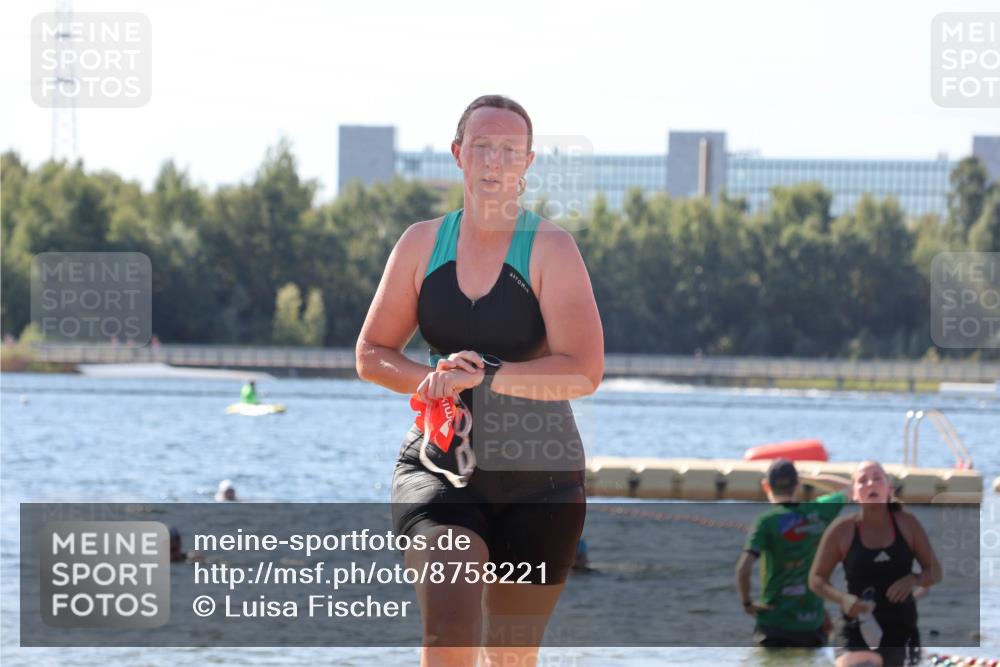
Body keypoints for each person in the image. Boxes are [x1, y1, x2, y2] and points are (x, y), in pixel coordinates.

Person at [356, 94, 604, 666]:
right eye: (482, 146)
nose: (494, 160)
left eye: (509, 150)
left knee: (510, 655)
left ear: (527, 163)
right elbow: (372, 353)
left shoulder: (552, 249)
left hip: (540, 481)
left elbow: (583, 370)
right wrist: (428, 380)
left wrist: (491, 375)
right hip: (441, 467)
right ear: (458, 154)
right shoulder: (421, 244)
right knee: (450, 633)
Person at [809, 461, 942, 667]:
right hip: (857, 626)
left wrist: (914, 579)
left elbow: (935, 571)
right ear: (854, 494)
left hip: (901, 628)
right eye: (863, 480)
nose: (870, 483)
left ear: (889, 489)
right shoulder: (842, 530)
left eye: (877, 478)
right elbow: (816, 579)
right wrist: (843, 599)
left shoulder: (908, 524)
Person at [735, 458, 852, 649]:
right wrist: (809, 478)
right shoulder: (819, 511)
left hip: (774, 622)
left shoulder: (766, 521)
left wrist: (747, 603)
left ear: (766, 486)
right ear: (797, 485)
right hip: (811, 622)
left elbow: (743, 568)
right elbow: (851, 488)